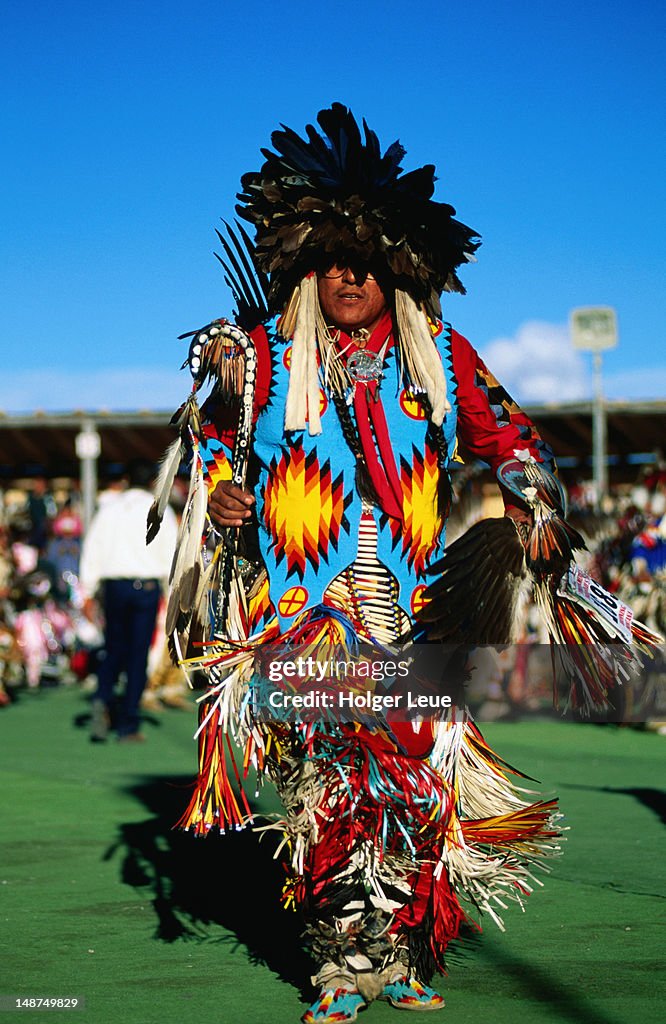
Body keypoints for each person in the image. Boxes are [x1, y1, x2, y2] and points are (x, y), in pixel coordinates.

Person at [154, 105, 633, 1023]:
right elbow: (216, 438)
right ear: (304, 267)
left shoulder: (442, 363)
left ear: (400, 273)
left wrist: (530, 500)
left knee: (415, 779)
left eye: (366, 263)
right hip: (303, 609)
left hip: (418, 610)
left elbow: (515, 440)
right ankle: (341, 959)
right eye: (331, 261)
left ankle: (400, 949)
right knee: (332, 773)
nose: (347, 276)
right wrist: (219, 496)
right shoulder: (260, 360)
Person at [80, 459, 178, 741]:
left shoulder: (109, 510)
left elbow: (92, 549)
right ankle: (128, 723)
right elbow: (170, 554)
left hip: (114, 587)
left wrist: (87, 591)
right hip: (146, 589)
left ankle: (103, 696)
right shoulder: (161, 510)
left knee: (114, 648)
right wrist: (172, 594)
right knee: (137, 655)